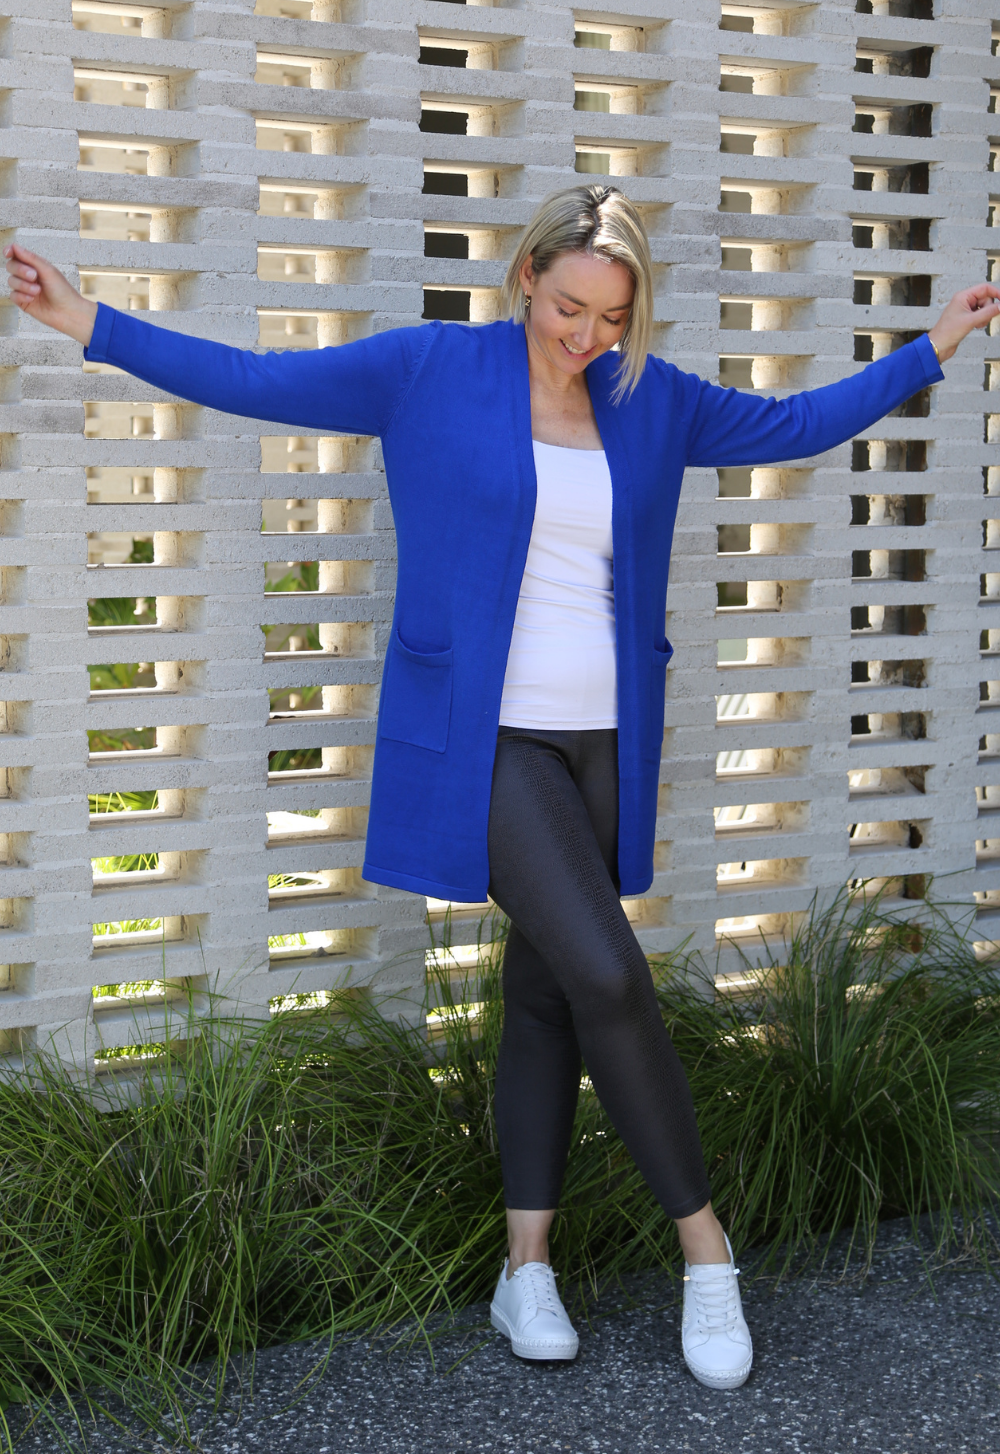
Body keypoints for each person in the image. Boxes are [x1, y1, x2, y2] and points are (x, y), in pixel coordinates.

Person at [7, 187, 997, 1388]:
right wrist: (90, 322)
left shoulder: (648, 397)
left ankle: (524, 1268)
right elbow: (257, 381)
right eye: (569, 306)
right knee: (607, 974)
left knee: (547, 997)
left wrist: (928, 348)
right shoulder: (429, 369)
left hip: (606, 740)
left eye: (612, 317)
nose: (586, 335)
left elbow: (793, 422)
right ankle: (707, 1252)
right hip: (489, 740)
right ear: (527, 274)